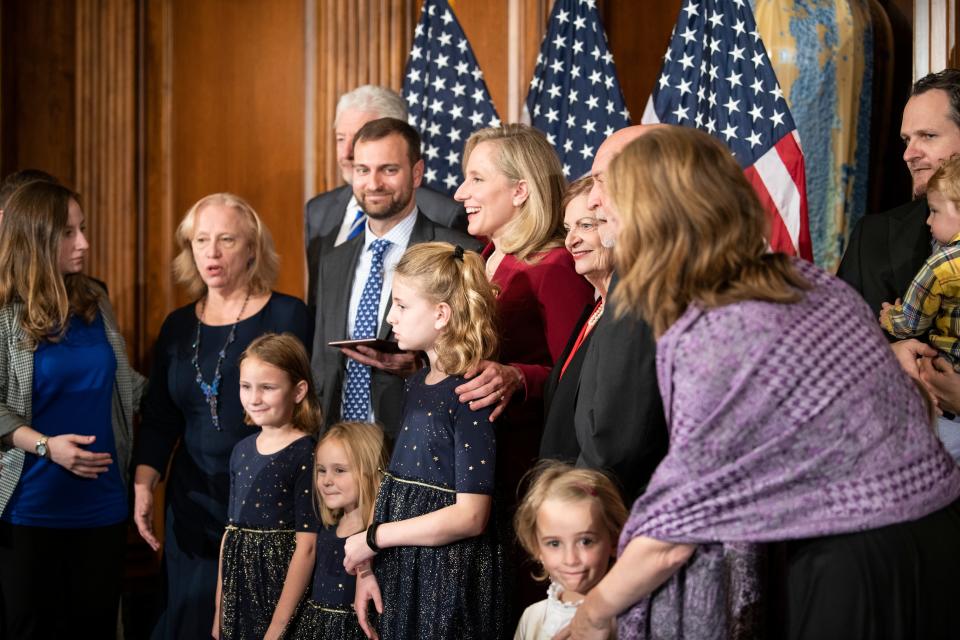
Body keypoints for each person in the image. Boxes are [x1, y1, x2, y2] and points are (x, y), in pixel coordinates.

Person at [558, 126, 960, 640]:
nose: (595, 202)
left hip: (856, 575)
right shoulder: (801, 279)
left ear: (655, 213)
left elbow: (677, 528)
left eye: (609, 194)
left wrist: (593, 613)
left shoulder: (717, 324)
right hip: (939, 542)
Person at [133, 192, 311, 638]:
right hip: (191, 506)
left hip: (265, 507)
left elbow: (310, 410)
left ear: (252, 247)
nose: (211, 253)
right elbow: (159, 418)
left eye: (226, 240)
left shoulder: (287, 314)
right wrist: (142, 483)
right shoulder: (177, 325)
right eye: (200, 240)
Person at [0, 180, 146, 637]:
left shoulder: (95, 302)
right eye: (68, 233)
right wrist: (46, 446)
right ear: (36, 238)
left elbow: (126, 386)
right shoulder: (5, 311)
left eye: (82, 229)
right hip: (31, 506)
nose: (83, 243)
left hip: (102, 505)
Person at [343, 242, 507, 640]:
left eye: (401, 305)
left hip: (447, 579)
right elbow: (399, 486)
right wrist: (370, 567)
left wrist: (374, 539)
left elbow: (471, 516)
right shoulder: (417, 383)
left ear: (441, 314)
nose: (389, 318)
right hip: (405, 569)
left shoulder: (468, 395)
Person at [311, 117, 478, 442]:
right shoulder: (333, 259)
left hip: (418, 441)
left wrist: (423, 369)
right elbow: (321, 362)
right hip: (338, 447)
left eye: (388, 170)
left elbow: (474, 358)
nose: (373, 183)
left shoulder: (457, 252)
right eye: (362, 170)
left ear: (416, 173)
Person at [305, 85, 466, 309]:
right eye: (341, 139)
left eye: (363, 136)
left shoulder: (445, 215)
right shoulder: (318, 210)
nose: (348, 153)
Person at [214, 333, 319, 639]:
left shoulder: (306, 453)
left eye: (267, 388)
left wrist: (277, 627)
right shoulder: (241, 450)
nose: (254, 398)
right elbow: (230, 535)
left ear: (298, 391)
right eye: (246, 387)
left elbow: (308, 546)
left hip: (277, 586)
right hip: (238, 590)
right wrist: (219, 610)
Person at [289, 421, 388, 640]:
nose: (326, 481)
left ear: (370, 471)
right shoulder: (325, 528)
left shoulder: (379, 537)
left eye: (339, 470)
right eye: (321, 470)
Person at [512, 461, 627, 640]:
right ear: (537, 549)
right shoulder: (532, 617)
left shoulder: (629, 618)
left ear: (614, 540)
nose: (571, 559)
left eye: (585, 541)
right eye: (554, 544)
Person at [881, 154, 960, 368]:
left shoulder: (941, 264)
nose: (928, 220)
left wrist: (891, 317)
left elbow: (912, 323)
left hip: (949, 361)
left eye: (935, 211)